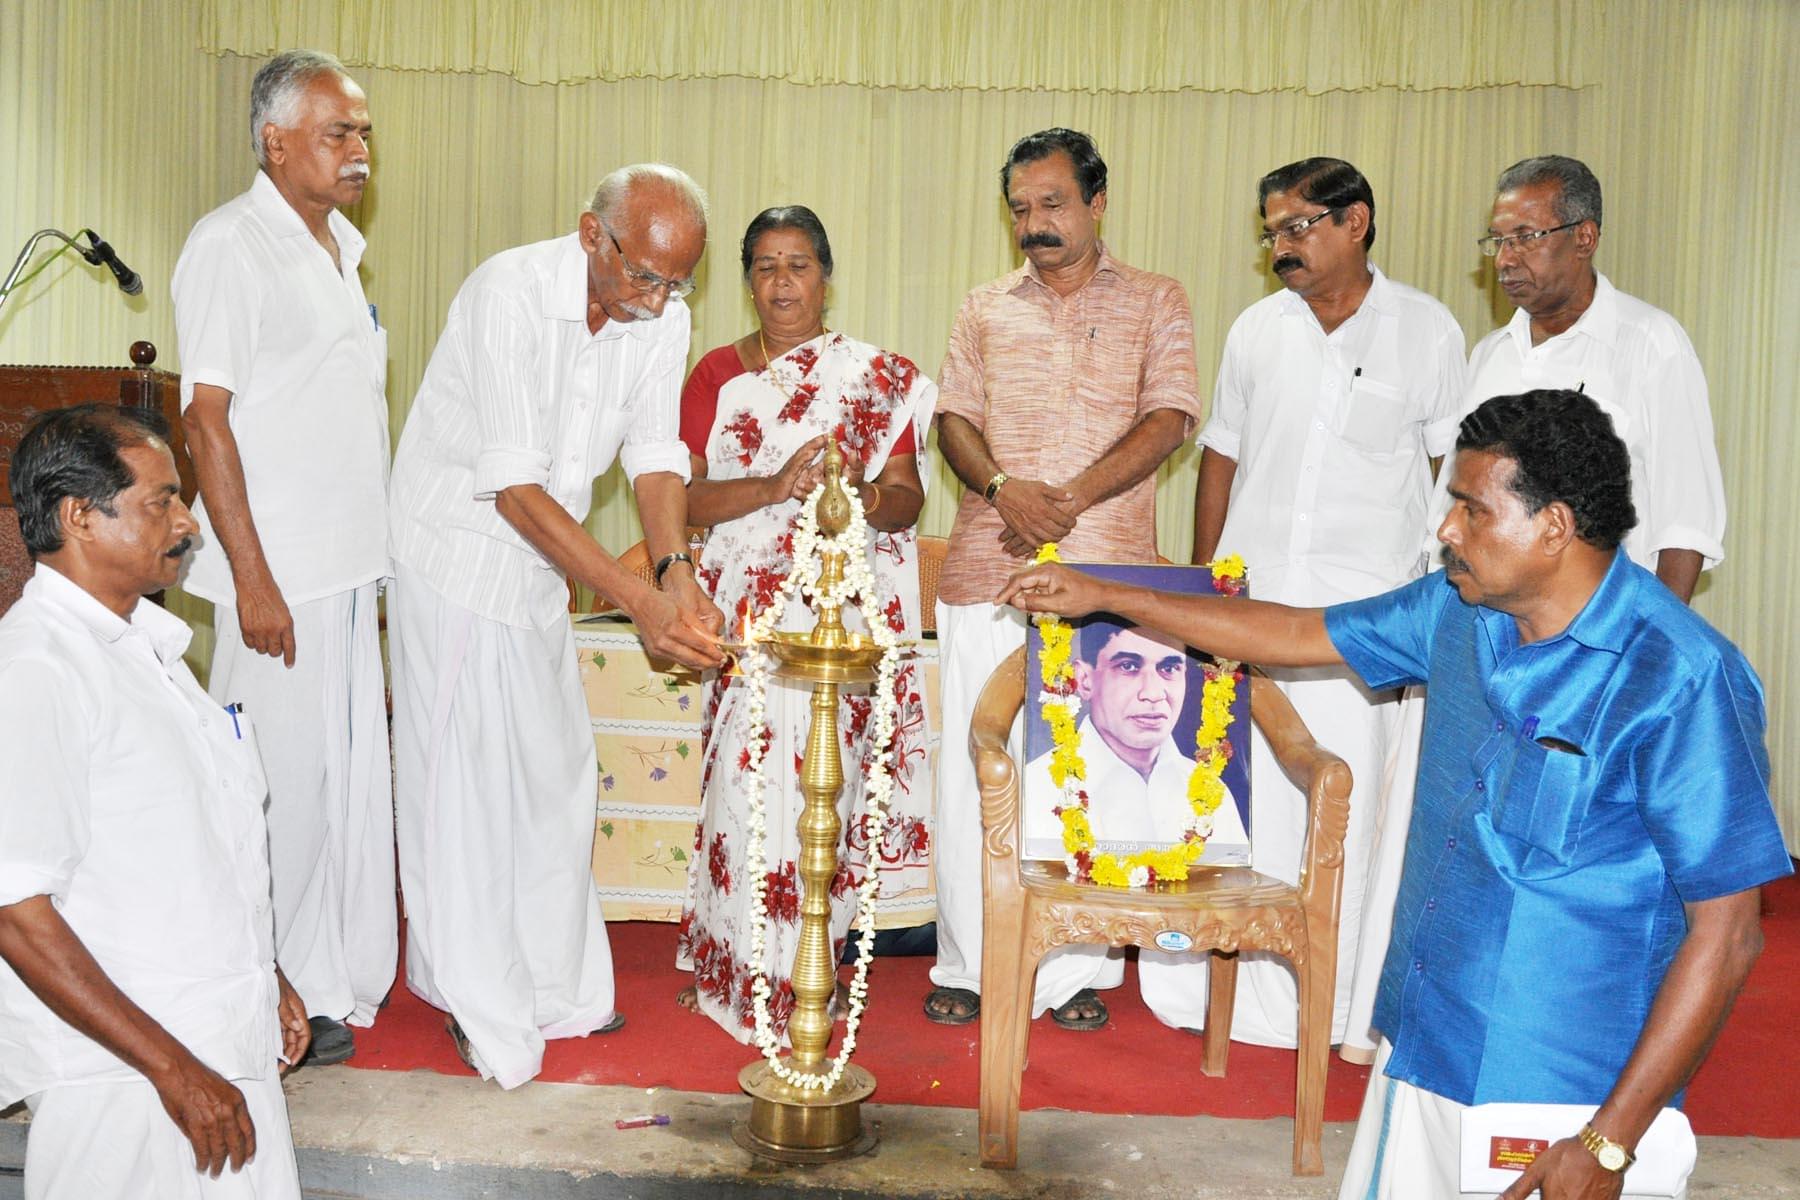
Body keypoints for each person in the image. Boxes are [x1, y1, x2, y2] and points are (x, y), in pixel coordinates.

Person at [1001, 389, 1789, 1199]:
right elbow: (1302, 632)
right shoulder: (1458, 611)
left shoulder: (1682, 676)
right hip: (1424, 1041)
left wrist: (1609, 1143)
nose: (1446, 530)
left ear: (1552, 526)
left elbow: (1728, 938)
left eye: (1471, 510)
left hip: (1568, 1091)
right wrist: (1114, 599)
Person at [386, 163, 726, 1088]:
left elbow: (657, 460)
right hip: (455, 551)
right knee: (462, 784)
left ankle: (555, 985)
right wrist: (640, 606)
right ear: (591, 233)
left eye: (679, 282)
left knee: (554, 773)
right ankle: (472, 994)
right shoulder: (507, 291)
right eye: (644, 277)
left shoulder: (665, 313)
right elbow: (513, 485)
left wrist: (674, 572)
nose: (658, 302)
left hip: (542, 565)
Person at [1187, 158, 1466, 1059]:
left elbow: (1448, 476)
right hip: (1259, 602)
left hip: (1370, 624)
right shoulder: (1256, 331)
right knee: (1256, 800)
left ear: (1358, 222)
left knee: (1355, 808)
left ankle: (1346, 1003)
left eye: (1298, 227)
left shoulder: (1427, 331)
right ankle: (1254, 1001)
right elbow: (1220, 458)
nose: (1280, 249)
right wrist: (1205, 583)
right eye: (1270, 232)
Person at [927, 128, 1203, 1033]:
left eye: (1051, 204)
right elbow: (953, 422)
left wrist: (1070, 502)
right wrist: (1007, 491)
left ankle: (1072, 967)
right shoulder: (983, 307)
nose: (1034, 224)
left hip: (1107, 580)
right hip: (986, 575)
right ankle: (969, 963)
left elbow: (1171, 418)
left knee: (1082, 774)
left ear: (1096, 201)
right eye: (1019, 209)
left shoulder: (1158, 300)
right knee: (980, 768)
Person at [0, 405, 311, 1198]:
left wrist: (263, 974)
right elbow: (15, 911)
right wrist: (172, 1070)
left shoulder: (149, 652)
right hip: (130, 1086)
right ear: (78, 517)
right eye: (161, 502)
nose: (187, 524)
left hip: (217, 1053)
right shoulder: (39, 668)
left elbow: (191, 843)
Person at [171, 48, 394, 1065]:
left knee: (333, 793)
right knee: (269, 790)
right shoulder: (231, 245)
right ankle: (254, 990)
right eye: (338, 133)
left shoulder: (341, 247)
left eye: (363, 135)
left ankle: (318, 979)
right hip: (279, 580)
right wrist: (252, 579)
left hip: (346, 570)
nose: (360, 154)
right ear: (275, 142)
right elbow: (203, 422)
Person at [671, 205, 937, 1042]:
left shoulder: (877, 375)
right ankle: (741, 966)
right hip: (751, 616)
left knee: (827, 789)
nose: (782, 284)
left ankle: (806, 975)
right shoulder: (716, 376)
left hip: (836, 615)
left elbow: (907, 497)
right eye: (764, 268)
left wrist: (849, 492)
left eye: (798, 266)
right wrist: (774, 485)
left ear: (825, 276)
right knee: (750, 786)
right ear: (746, 280)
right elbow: (677, 499)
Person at [1426, 155, 1725, 603]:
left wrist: (1655, 649)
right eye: (1498, 241)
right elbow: (1451, 507)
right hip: (1483, 628)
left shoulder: (1650, 343)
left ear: (1584, 238)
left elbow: (1686, 519)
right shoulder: (1490, 355)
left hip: (1596, 628)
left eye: (1525, 238)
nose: (1504, 260)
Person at [1021, 622, 1247, 859]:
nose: (1152, 693)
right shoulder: (1037, 790)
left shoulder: (1212, 792)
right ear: (1085, 680)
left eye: (1169, 669)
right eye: (1128, 666)